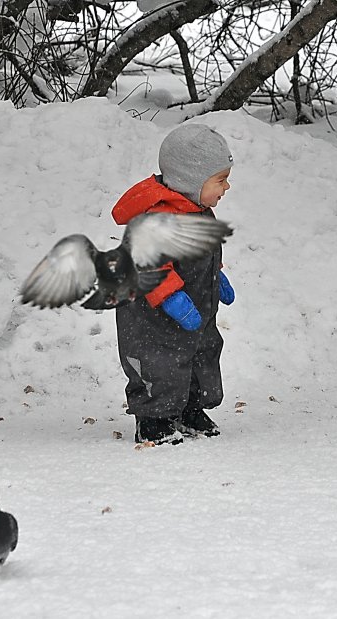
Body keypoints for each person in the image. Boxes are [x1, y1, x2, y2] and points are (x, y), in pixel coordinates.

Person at [111, 124, 236, 444]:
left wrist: (215, 276)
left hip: (197, 308)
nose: (227, 186)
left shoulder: (198, 211)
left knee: (201, 355)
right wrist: (170, 298)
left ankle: (189, 409)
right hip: (153, 316)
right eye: (220, 180)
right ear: (191, 179)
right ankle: (153, 419)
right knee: (159, 362)